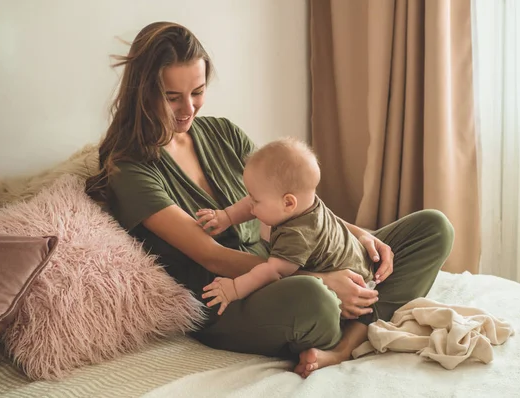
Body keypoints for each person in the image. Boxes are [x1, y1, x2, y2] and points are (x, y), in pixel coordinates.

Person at [85, 21, 454, 378]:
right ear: (143, 92)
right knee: (314, 300)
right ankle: (357, 317)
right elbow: (210, 255)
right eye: (172, 97)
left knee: (433, 228)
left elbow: (296, 202)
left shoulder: (223, 133)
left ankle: (348, 338)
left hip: (289, 261)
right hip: (228, 299)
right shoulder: (128, 167)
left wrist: (358, 235)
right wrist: (325, 280)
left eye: (197, 92)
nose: (189, 109)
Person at [196, 137, 395, 375]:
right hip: (356, 257)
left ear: (288, 203)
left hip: (357, 285)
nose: (251, 207)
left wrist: (235, 288)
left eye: (256, 201)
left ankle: (343, 336)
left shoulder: (297, 235)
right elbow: (249, 203)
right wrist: (226, 216)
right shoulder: (305, 201)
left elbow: (271, 271)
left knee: (313, 297)